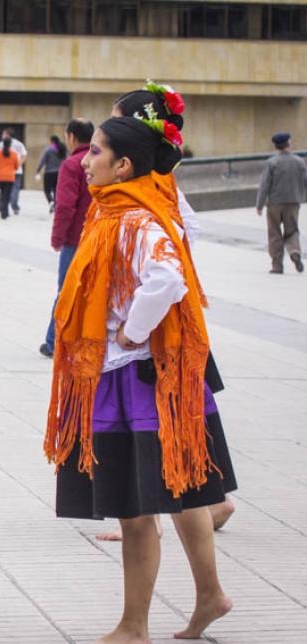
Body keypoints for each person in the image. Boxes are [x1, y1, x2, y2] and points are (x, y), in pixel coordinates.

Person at [45, 110, 237, 644]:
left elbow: (168, 276)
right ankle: (187, 602)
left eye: (98, 151)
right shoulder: (121, 211)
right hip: (130, 376)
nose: (86, 160)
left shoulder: (133, 219)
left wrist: (132, 330)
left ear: (124, 163)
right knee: (145, 509)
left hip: (132, 380)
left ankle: (135, 627)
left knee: (135, 513)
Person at [94, 83, 234, 541]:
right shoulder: (138, 194)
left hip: (157, 338)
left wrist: (137, 321)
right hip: (157, 329)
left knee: (166, 442)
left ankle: (153, 517)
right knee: (171, 441)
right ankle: (155, 518)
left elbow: (170, 265)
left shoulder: (146, 198)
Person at [40, 119, 93, 359]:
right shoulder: (102, 162)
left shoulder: (72, 165)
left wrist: (57, 238)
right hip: (98, 237)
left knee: (67, 292)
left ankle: (54, 342)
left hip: (75, 240)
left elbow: (65, 206)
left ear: (71, 137)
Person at [257, 132, 306, 274]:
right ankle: (295, 252)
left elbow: (265, 185)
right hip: (293, 201)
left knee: (274, 233)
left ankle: (277, 265)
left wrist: (260, 205)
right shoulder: (299, 161)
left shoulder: (272, 162)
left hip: (274, 203)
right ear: (289, 144)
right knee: (292, 231)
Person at [35, 135, 67, 212]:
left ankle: (51, 201)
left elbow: (42, 161)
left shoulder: (48, 150)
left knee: (47, 190)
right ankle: (55, 205)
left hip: (49, 173)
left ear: (51, 141)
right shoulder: (62, 149)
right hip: (60, 173)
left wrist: (38, 170)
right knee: (56, 189)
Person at [0, 140, 20, 219]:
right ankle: (4, 212)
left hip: (0, 177)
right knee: (7, 195)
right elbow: (17, 166)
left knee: (3, 194)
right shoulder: (14, 154)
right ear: (10, 145)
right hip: (10, 177)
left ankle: (4, 212)